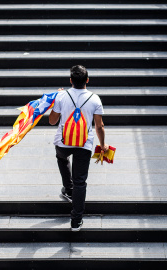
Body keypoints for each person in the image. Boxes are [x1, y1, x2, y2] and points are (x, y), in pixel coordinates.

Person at [49, 65, 109, 232]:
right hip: (84, 144)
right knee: (80, 181)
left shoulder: (61, 96)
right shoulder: (95, 99)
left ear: (70, 81)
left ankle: (68, 189)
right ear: (87, 80)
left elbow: (52, 121)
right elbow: (99, 126)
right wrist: (103, 144)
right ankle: (76, 221)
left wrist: (56, 99)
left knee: (61, 157)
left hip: (63, 142)